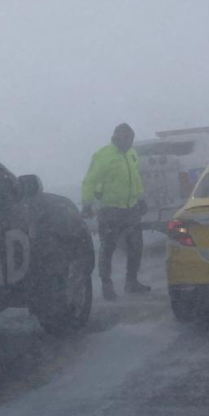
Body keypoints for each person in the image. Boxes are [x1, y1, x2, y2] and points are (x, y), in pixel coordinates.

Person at [81, 123, 151, 299]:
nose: (129, 144)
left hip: (131, 209)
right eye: (127, 140)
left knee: (136, 247)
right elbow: (89, 181)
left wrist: (141, 199)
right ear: (117, 138)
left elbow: (135, 179)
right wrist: (87, 204)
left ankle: (131, 282)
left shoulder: (131, 154)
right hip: (110, 210)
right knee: (108, 248)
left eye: (131, 140)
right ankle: (106, 286)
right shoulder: (103, 156)